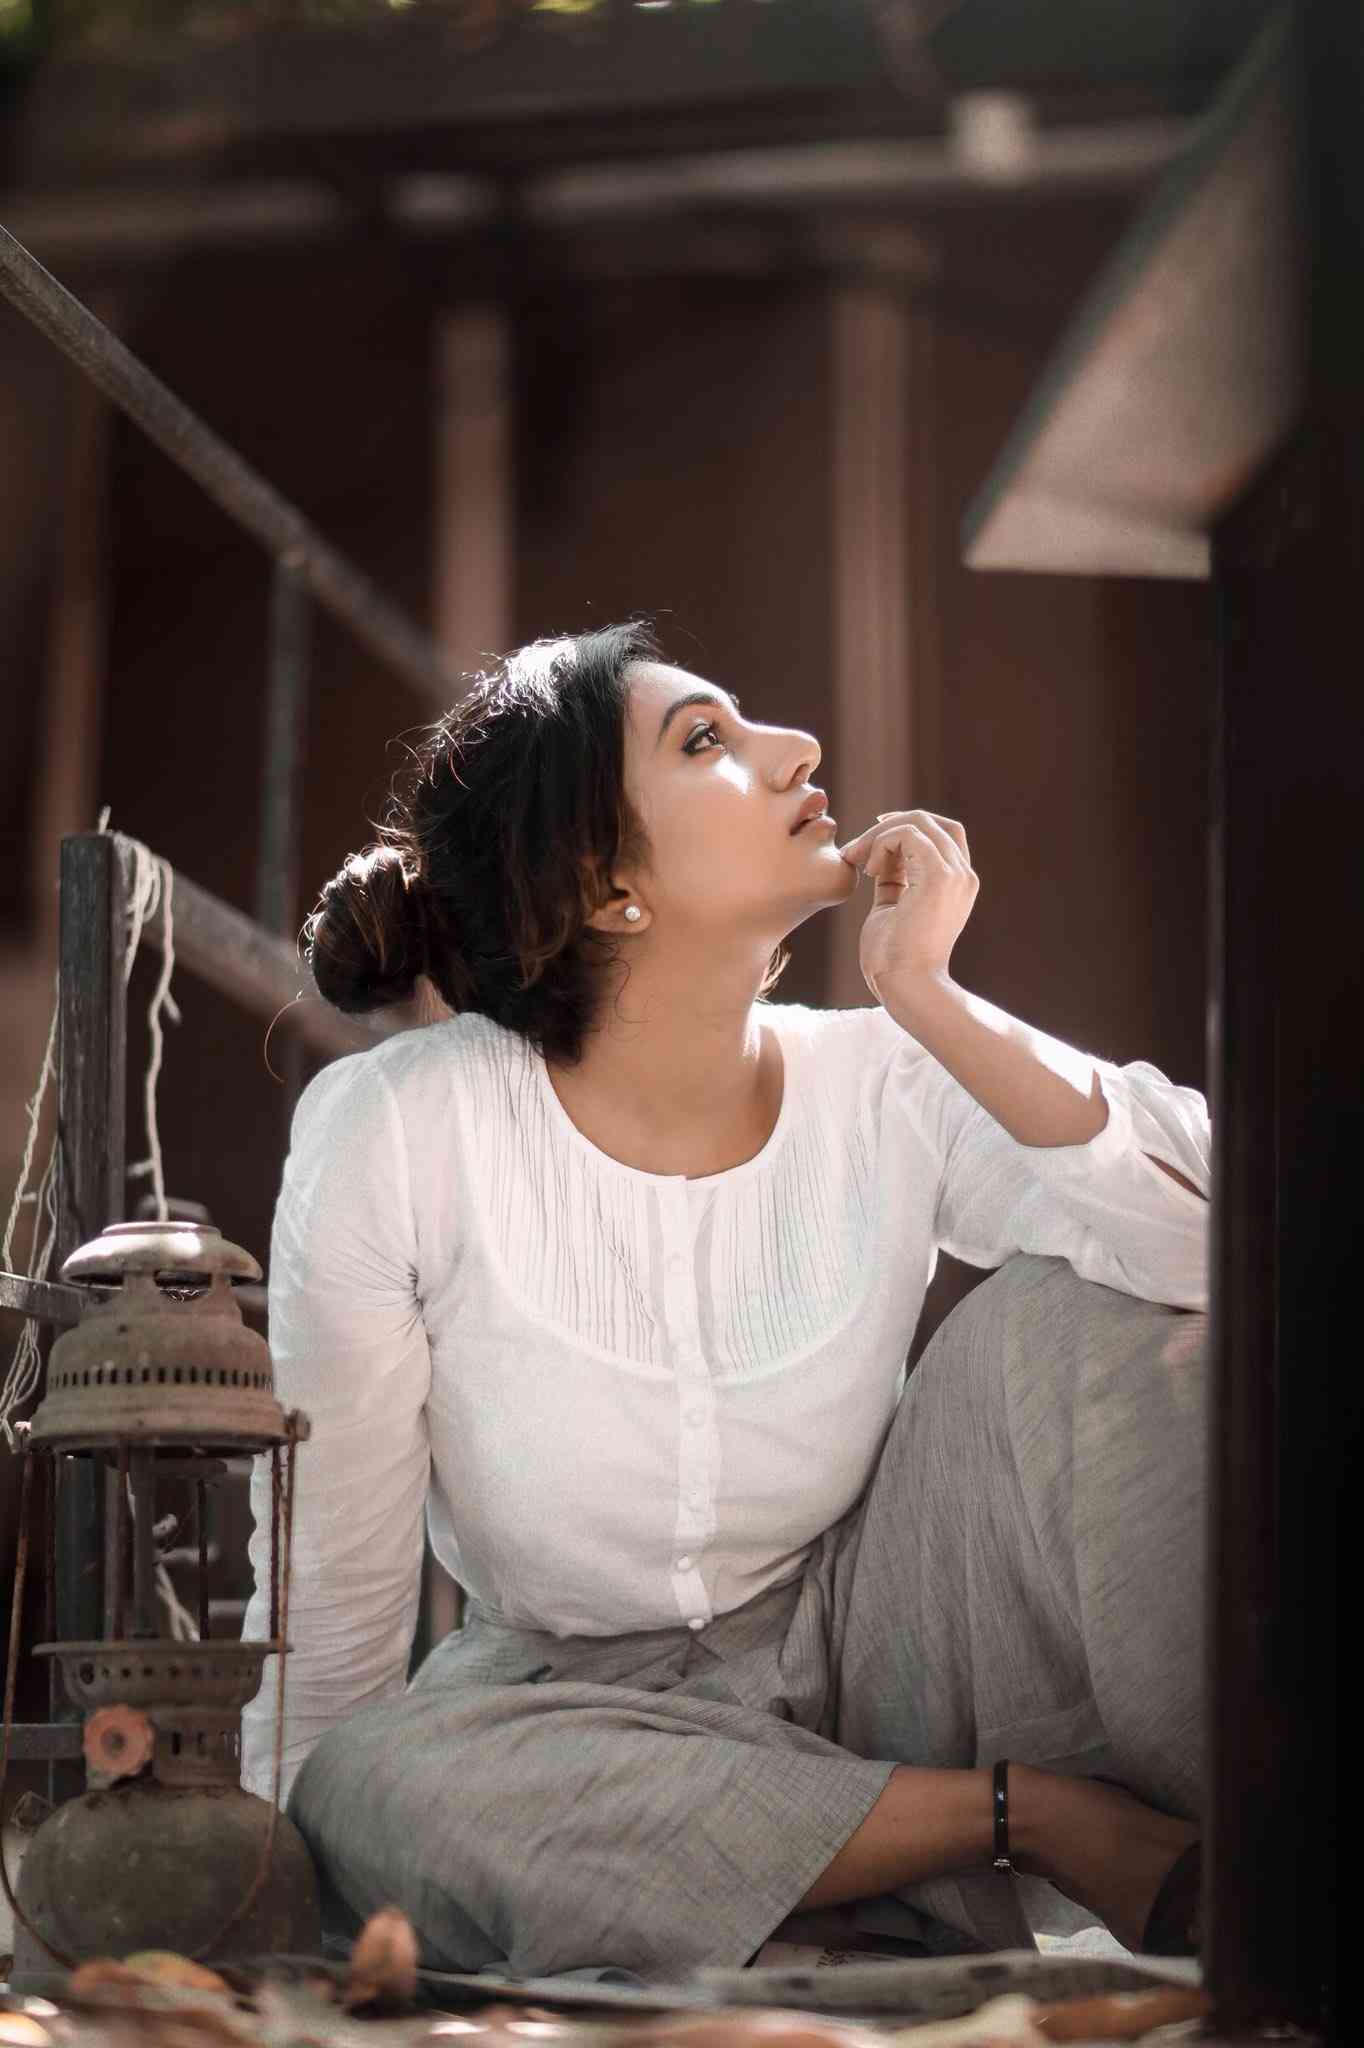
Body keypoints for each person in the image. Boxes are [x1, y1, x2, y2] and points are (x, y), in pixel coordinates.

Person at [238, 619, 1211, 1981]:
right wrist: (274, 1904)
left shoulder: (886, 1077)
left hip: (881, 1668)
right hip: (570, 1728)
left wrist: (931, 998)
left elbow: (1216, 1252)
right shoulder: (399, 1130)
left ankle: (1259, 1856)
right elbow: (331, 1605)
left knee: (1085, 1324)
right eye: (707, 739)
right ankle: (1015, 1830)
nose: (797, 747)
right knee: (366, 1782)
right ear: (606, 887)